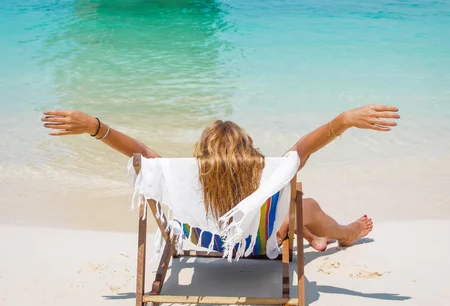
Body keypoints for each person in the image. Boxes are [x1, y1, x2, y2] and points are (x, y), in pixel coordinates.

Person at [41, 104, 399, 251]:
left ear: (202, 150)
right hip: (260, 244)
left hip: (209, 242)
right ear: (247, 148)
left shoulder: (183, 176)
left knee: (278, 205)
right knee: (305, 204)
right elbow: (307, 146)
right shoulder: (266, 171)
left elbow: (137, 151)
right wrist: (345, 121)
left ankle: (311, 237)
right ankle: (344, 234)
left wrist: (95, 127)